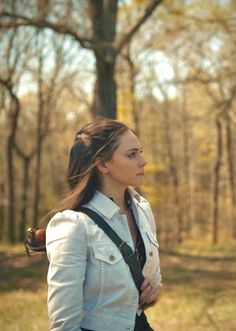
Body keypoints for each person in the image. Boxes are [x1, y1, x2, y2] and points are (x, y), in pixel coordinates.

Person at [45, 118, 162, 331]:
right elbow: (64, 324)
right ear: (102, 163)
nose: (143, 161)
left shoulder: (142, 209)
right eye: (132, 154)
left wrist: (153, 291)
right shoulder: (73, 225)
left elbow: (152, 281)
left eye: (141, 152)